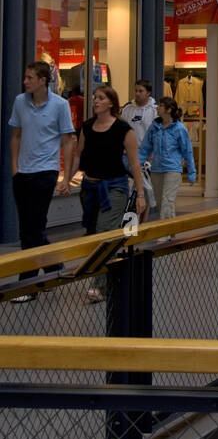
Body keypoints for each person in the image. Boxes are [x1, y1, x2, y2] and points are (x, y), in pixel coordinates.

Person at [64, 86, 146, 301]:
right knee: (92, 234)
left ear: (111, 103)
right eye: (94, 98)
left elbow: (134, 164)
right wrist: (66, 180)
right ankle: (111, 276)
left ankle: (99, 285)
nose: (95, 101)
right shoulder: (88, 127)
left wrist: (140, 194)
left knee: (105, 231)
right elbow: (79, 156)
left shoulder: (122, 129)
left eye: (100, 98)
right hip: (89, 188)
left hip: (114, 188)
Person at [8, 62, 76, 297]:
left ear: (42, 80)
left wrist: (65, 178)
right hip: (23, 174)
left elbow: (68, 141)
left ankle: (27, 285)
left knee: (32, 228)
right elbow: (16, 135)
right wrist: (15, 168)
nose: (25, 81)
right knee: (30, 229)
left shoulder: (60, 105)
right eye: (25, 77)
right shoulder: (20, 102)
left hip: (46, 173)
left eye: (29, 78)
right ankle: (54, 267)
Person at [138, 97, 196, 231]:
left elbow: (187, 151)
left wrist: (192, 173)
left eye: (161, 106)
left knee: (167, 202)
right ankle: (171, 230)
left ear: (168, 110)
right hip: (157, 169)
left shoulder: (180, 129)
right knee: (160, 203)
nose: (157, 108)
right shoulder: (154, 127)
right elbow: (145, 148)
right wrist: (135, 165)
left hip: (173, 169)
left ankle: (165, 234)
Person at [120, 79, 158, 147]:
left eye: (140, 91)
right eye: (136, 91)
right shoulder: (127, 109)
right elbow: (120, 130)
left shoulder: (155, 111)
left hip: (148, 153)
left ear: (148, 93)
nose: (137, 94)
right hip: (129, 151)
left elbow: (158, 134)